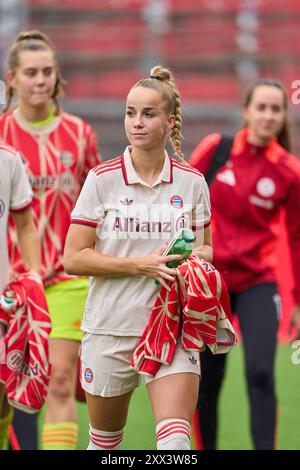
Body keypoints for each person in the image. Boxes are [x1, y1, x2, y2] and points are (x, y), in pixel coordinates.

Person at [63, 65, 213, 450]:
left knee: (175, 444)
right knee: (105, 445)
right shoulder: (102, 179)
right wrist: (140, 264)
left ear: (169, 121)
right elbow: (74, 258)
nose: (137, 122)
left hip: (171, 328)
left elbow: (207, 247)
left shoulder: (193, 182)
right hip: (109, 328)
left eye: (148, 114)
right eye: (130, 113)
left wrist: (195, 261)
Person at [0, 30, 101, 450]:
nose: (40, 80)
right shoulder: (1, 136)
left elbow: (98, 205)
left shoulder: (79, 135)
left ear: (57, 77)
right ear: (12, 79)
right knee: (10, 389)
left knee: (59, 379)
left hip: (64, 279)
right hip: (10, 281)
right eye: (30, 73)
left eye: (47, 72)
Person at [189, 78, 300, 450]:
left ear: (283, 116)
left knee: (261, 372)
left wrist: (298, 301)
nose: (268, 115)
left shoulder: (288, 171)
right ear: (246, 111)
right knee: (208, 378)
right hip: (210, 283)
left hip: (258, 284)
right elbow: (182, 200)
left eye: (275, 108)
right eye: (261, 107)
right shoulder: (216, 150)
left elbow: (298, 241)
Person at [0, 140, 40, 450]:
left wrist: (34, 281)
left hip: (3, 302)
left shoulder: (9, 160)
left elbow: (25, 226)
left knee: (3, 400)